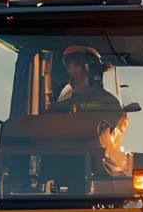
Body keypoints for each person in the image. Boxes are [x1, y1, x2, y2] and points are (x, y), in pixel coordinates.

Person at [54, 43, 132, 177]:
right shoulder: (63, 100)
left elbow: (113, 135)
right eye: (70, 64)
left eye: (77, 63)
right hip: (63, 163)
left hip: (100, 169)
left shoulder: (109, 102)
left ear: (90, 67)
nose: (73, 68)